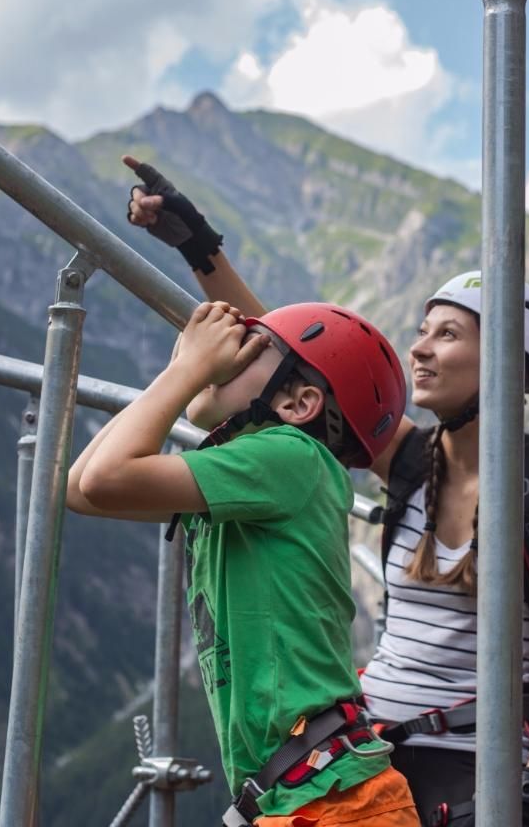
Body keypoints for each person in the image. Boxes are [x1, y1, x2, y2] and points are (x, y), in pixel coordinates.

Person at [122, 157, 529, 827]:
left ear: (506, 359)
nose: (421, 350)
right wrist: (198, 245)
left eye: (448, 334)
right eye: (422, 330)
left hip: (476, 755)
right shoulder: (411, 461)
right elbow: (296, 360)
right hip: (364, 743)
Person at [65, 296, 420, 827]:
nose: (228, 354)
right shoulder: (252, 471)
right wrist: (180, 371)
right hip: (307, 794)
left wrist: (188, 372)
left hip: (338, 803)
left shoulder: (290, 457)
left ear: (299, 404)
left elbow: (102, 479)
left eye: (253, 348)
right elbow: (80, 490)